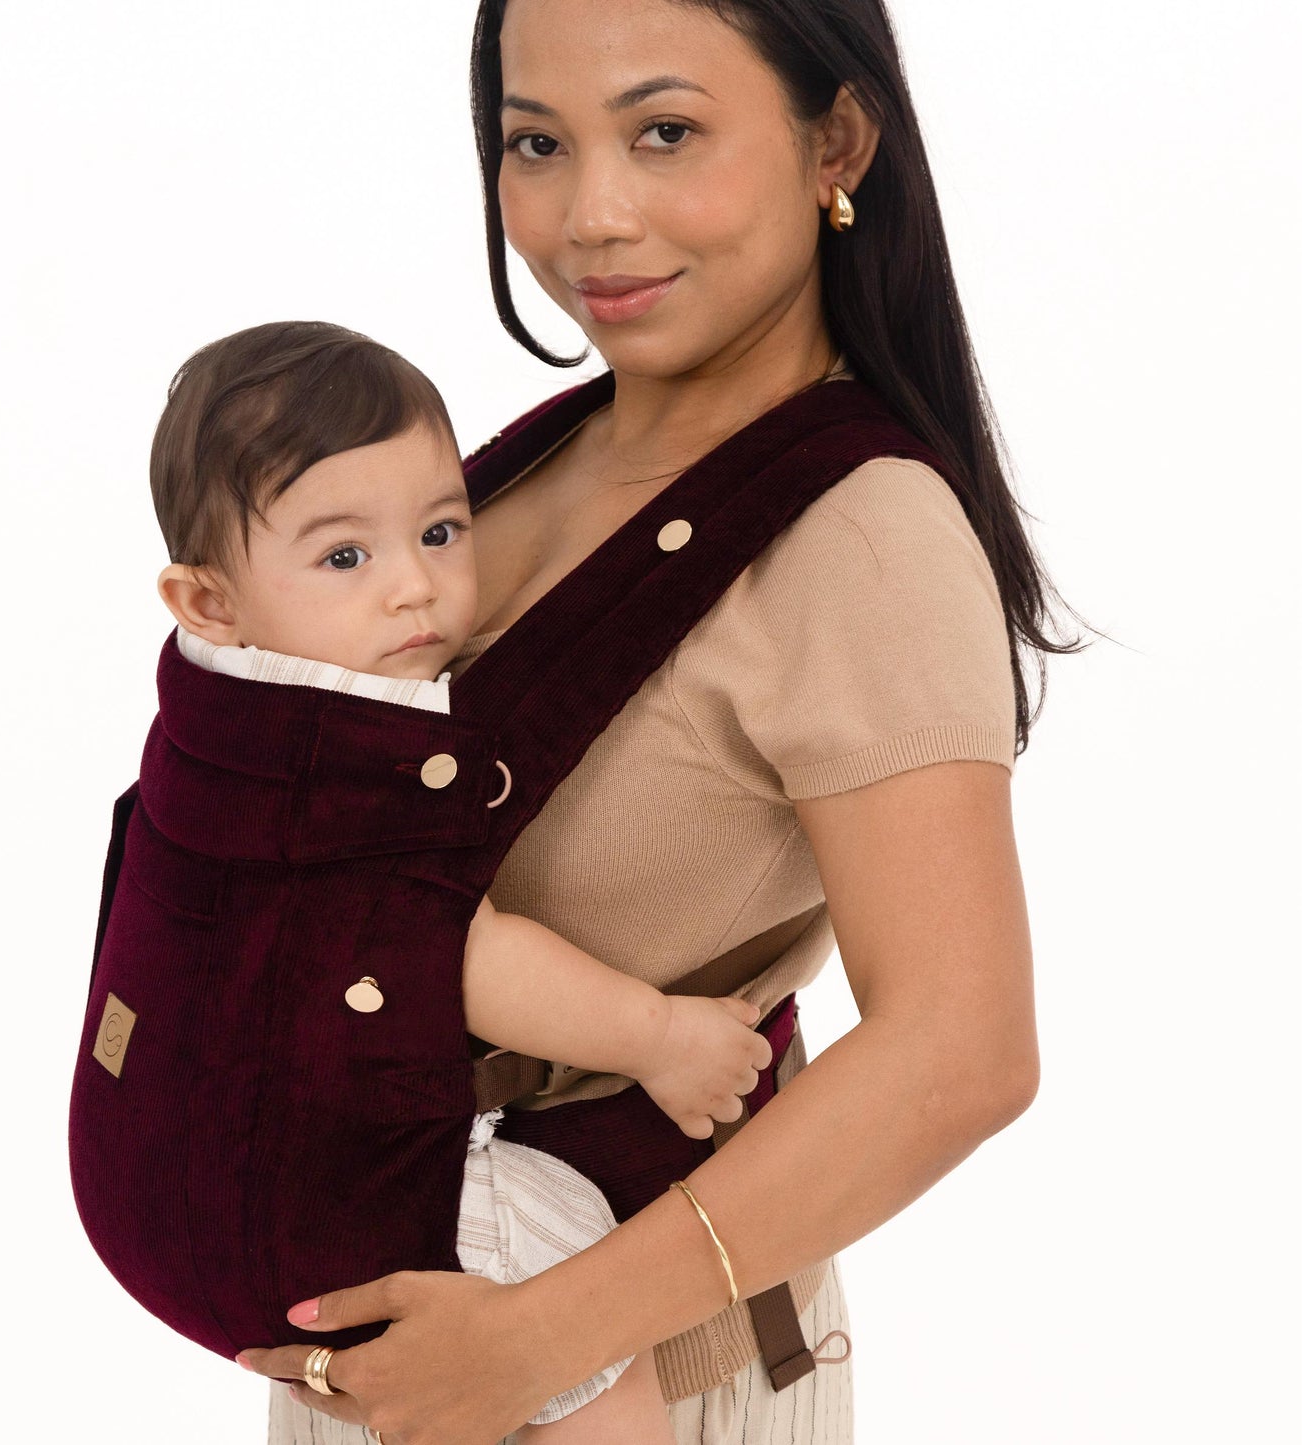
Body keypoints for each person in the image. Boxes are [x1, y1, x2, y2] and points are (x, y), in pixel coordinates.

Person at [242, 1, 1070, 1441]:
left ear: (835, 141)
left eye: (665, 131)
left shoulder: (860, 534)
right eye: (535, 145)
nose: (591, 216)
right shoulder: (511, 478)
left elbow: (962, 1050)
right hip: (409, 1345)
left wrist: (533, 1342)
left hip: (617, 1371)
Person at [74, 319, 774, 1444]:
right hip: (313, 1212)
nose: (415, 587)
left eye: (441, 531)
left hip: (157, 1195)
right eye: (344, 558)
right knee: (584, 1299)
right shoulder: (336, 751)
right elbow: (450, 953)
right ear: (206, 602)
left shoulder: (216, 718)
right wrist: (659, 1037)